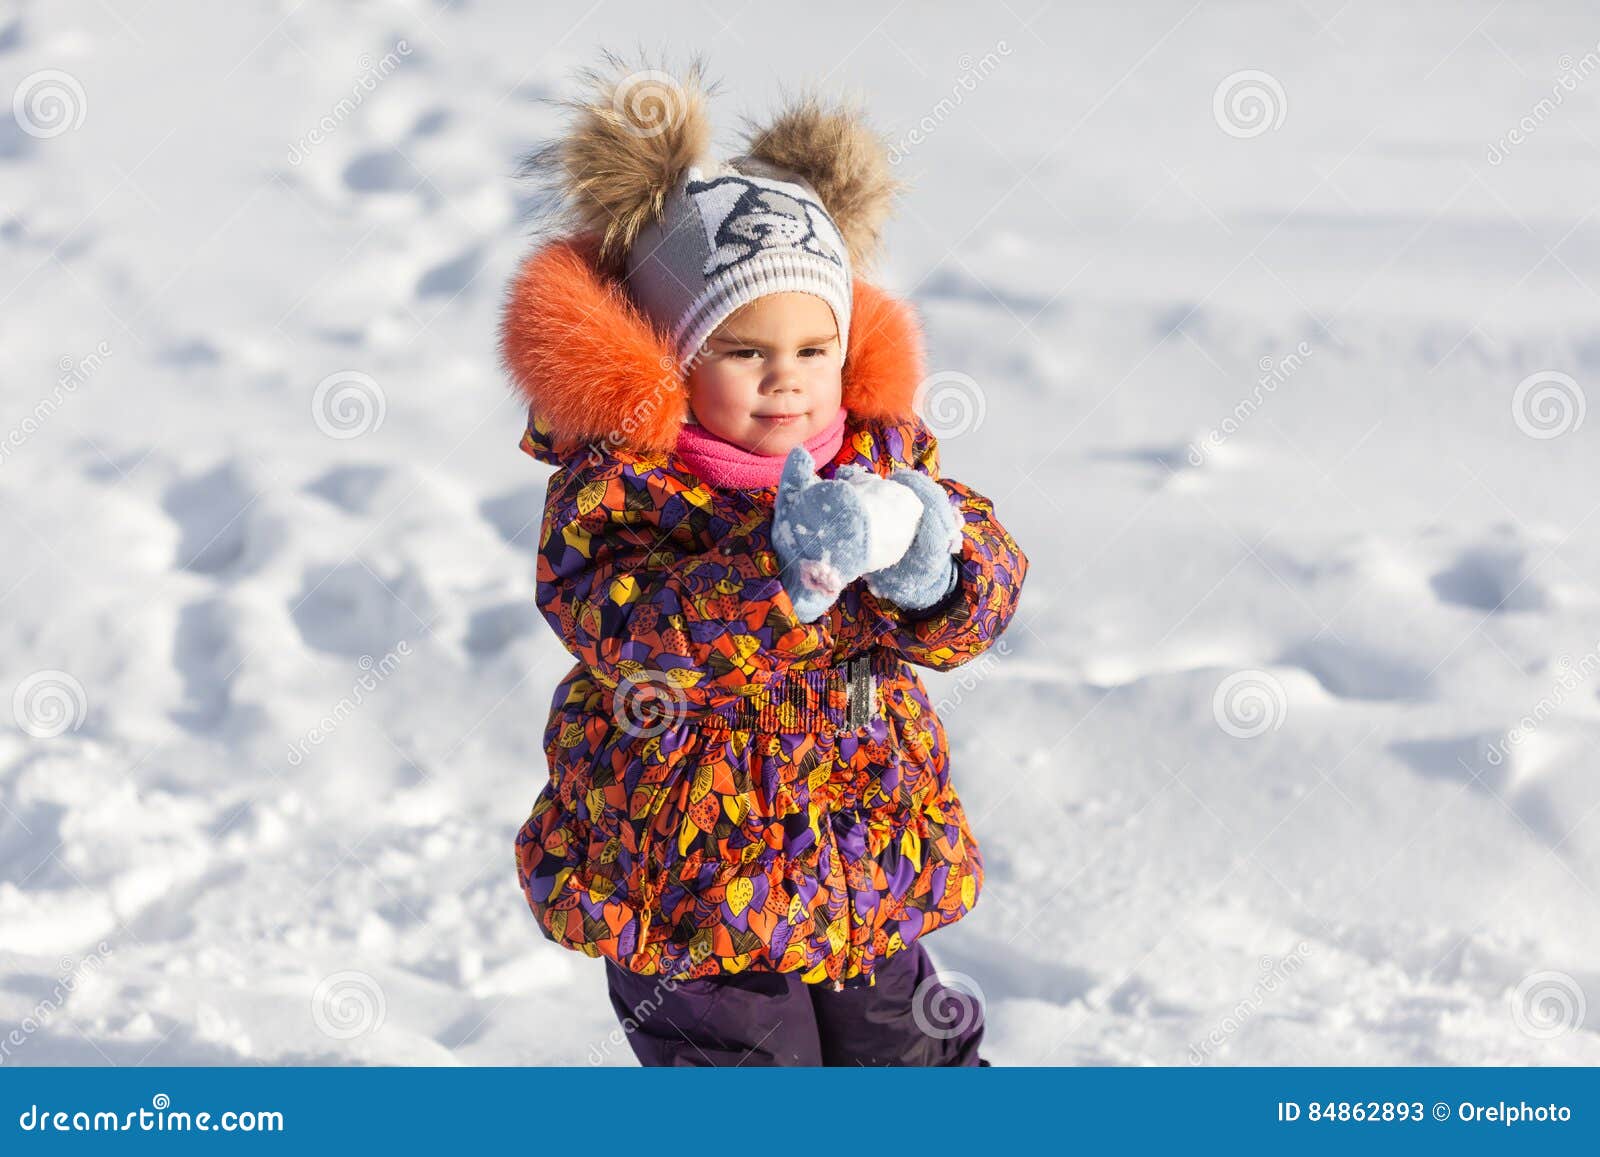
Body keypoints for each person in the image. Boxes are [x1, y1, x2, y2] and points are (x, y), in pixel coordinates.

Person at [501, 53, 1029, 1066]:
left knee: (907, 1046)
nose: (785, 379)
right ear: (674, 358)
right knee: (746, 1066)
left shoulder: (880, 460)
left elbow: (985, 586)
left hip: (859, 852)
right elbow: (622, 622)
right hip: (691, 873)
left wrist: (933, 566)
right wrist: (774, 580)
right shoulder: (623, 488)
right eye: (744, 350)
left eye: (811, 348)